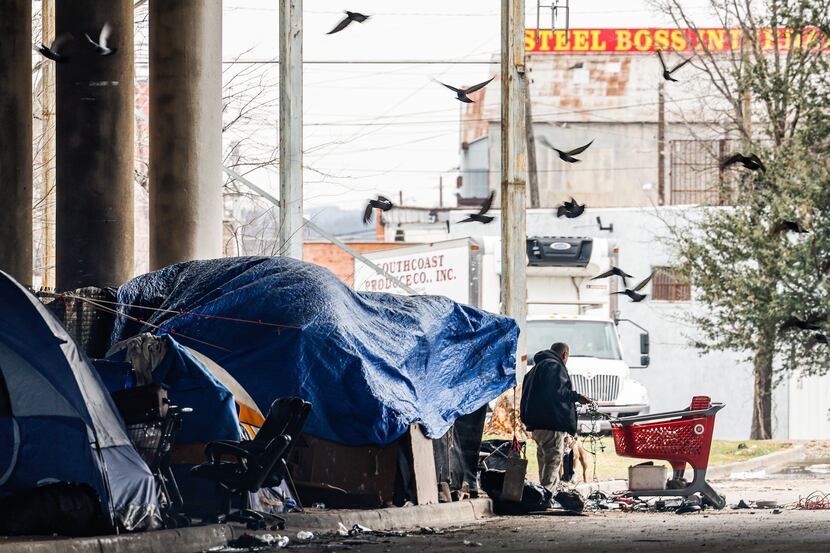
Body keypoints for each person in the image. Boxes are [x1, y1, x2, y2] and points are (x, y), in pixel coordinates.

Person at [519, 342, 591, 492]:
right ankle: (547, 495)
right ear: (565, 355)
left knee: (543, 460)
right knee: (553, 460)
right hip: (551, 423)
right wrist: (577, 397)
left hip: (536, 424)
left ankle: (541, 493)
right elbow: (558, 392)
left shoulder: (535, 369)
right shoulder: (555, 367)